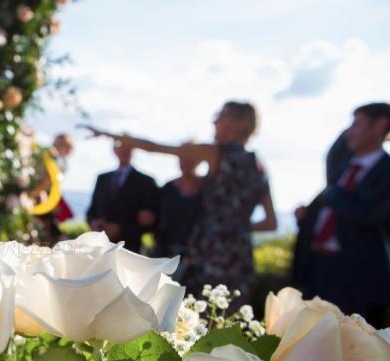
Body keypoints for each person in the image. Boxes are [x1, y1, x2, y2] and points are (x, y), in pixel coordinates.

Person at [85, 101, 277, 304]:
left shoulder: (215, 153)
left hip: (208, 255)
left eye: (221, 115)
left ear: (238, 123)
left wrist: (108, 135)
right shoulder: (259, 167)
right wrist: (235, 227)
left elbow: (154, 147)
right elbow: (271, 223)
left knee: (198, 314)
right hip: (240, 256)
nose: (215, 121)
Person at [292, 103, 390, 327]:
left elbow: (369, 212)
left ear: (380, 125)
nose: (349, 132)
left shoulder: (386, 172)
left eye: (357, 124)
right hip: (319, 269)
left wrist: (334, 194)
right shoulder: (343, 168)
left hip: (358, 277)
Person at [85, 140, 160, 253]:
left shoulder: (146, 182)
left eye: (129, 146)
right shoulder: (102, 178)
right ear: (114, 150)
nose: (124, 149)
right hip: (101, 249)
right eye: (120, 145)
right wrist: (94, 223)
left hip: (131, 250)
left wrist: (121, 230)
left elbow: (151, 220)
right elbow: (92, 209)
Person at [155, 142, 205, 280]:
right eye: (181, 157)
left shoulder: (209, 190)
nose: (185, 162)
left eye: (190, 157)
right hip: (167, 256)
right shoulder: (167, 189)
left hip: (200, 261)